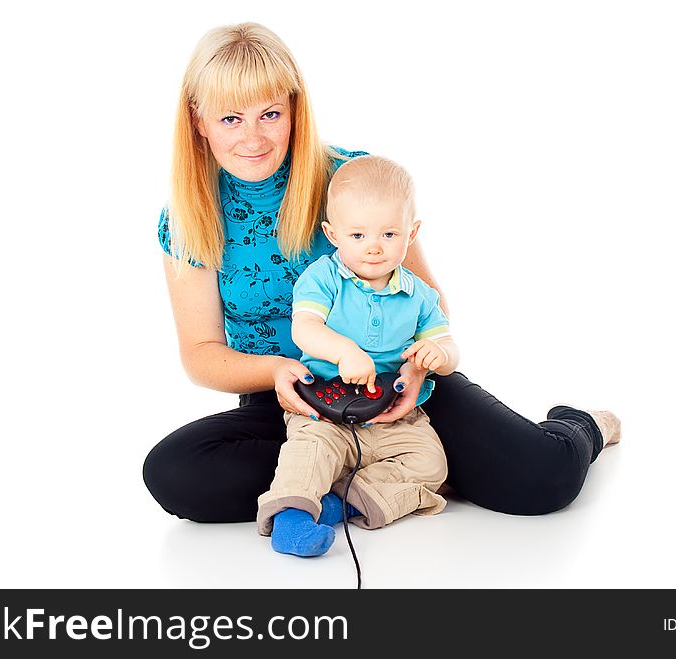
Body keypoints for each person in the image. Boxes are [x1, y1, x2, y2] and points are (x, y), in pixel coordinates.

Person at [143, 22, 621, 530]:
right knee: (174, 473)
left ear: (294, 110)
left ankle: (576, 427)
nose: (253, 137)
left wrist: (414, 371)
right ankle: (398, 474)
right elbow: (202, 355)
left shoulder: (351, 178)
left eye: (270, 114)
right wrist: (279, 373)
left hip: (396, 386)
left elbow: (427, 297)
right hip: (293, 399)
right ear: (198, 119)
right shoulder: (189, 216)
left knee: (544, 478)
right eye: (231, 118)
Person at [257, 155, 459, 556]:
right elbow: (305, 328)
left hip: (393, 413)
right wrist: (344, 350)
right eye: (357, 236)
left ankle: (344, 504)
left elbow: (447, 344)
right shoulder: (322, 277)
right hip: (324, 408)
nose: (373, 248)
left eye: (388, 234)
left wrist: (439, 354)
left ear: (411, 232)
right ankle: (292, 519)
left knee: (430, 462)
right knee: (309, 451)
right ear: (332, 234)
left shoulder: (419, 294)